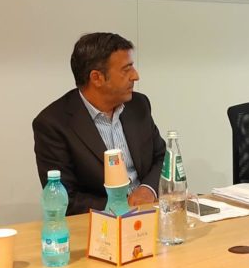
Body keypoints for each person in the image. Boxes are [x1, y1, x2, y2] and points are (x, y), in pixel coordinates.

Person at [33, 32, 166, 215]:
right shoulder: (53, 124)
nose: (135, 76)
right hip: (100, 221)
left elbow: (162, 157)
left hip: (150, 213)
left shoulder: (138, 105)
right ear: (97, 78)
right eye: (126, 69)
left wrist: (148, 189)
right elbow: (65, 198)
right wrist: (122, 205)